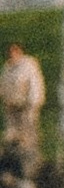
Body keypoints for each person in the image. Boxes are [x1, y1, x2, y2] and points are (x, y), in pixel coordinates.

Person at [0, 35, 43, 169]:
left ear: (20, 51)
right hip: (11, 111)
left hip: (26, 109)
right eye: (10, 51)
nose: (12, 54)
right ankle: (14, 167)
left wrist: (33, 106)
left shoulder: (29, 65)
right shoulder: (7, 68)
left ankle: (32, 168)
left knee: (29, 140)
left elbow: (36, 86)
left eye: (15, 50)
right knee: (12, 138)